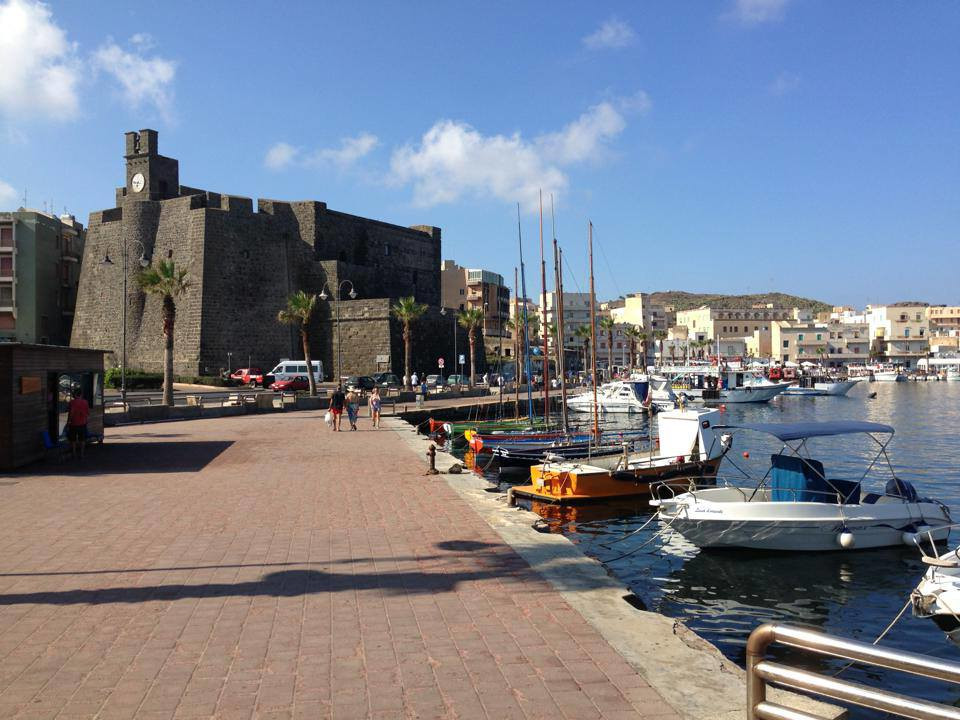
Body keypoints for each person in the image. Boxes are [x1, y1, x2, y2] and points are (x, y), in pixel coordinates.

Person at [66, 388, 89, 459]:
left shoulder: (72, 402)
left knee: (73, 440)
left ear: (75, 394)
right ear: (81, 394)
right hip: (83, 423)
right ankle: (82, 454)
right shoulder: (85, 402)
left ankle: (74, 453)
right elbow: (88, 413)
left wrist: (68, 422)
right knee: (82, 439)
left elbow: (71, 413)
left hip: (74, 423)